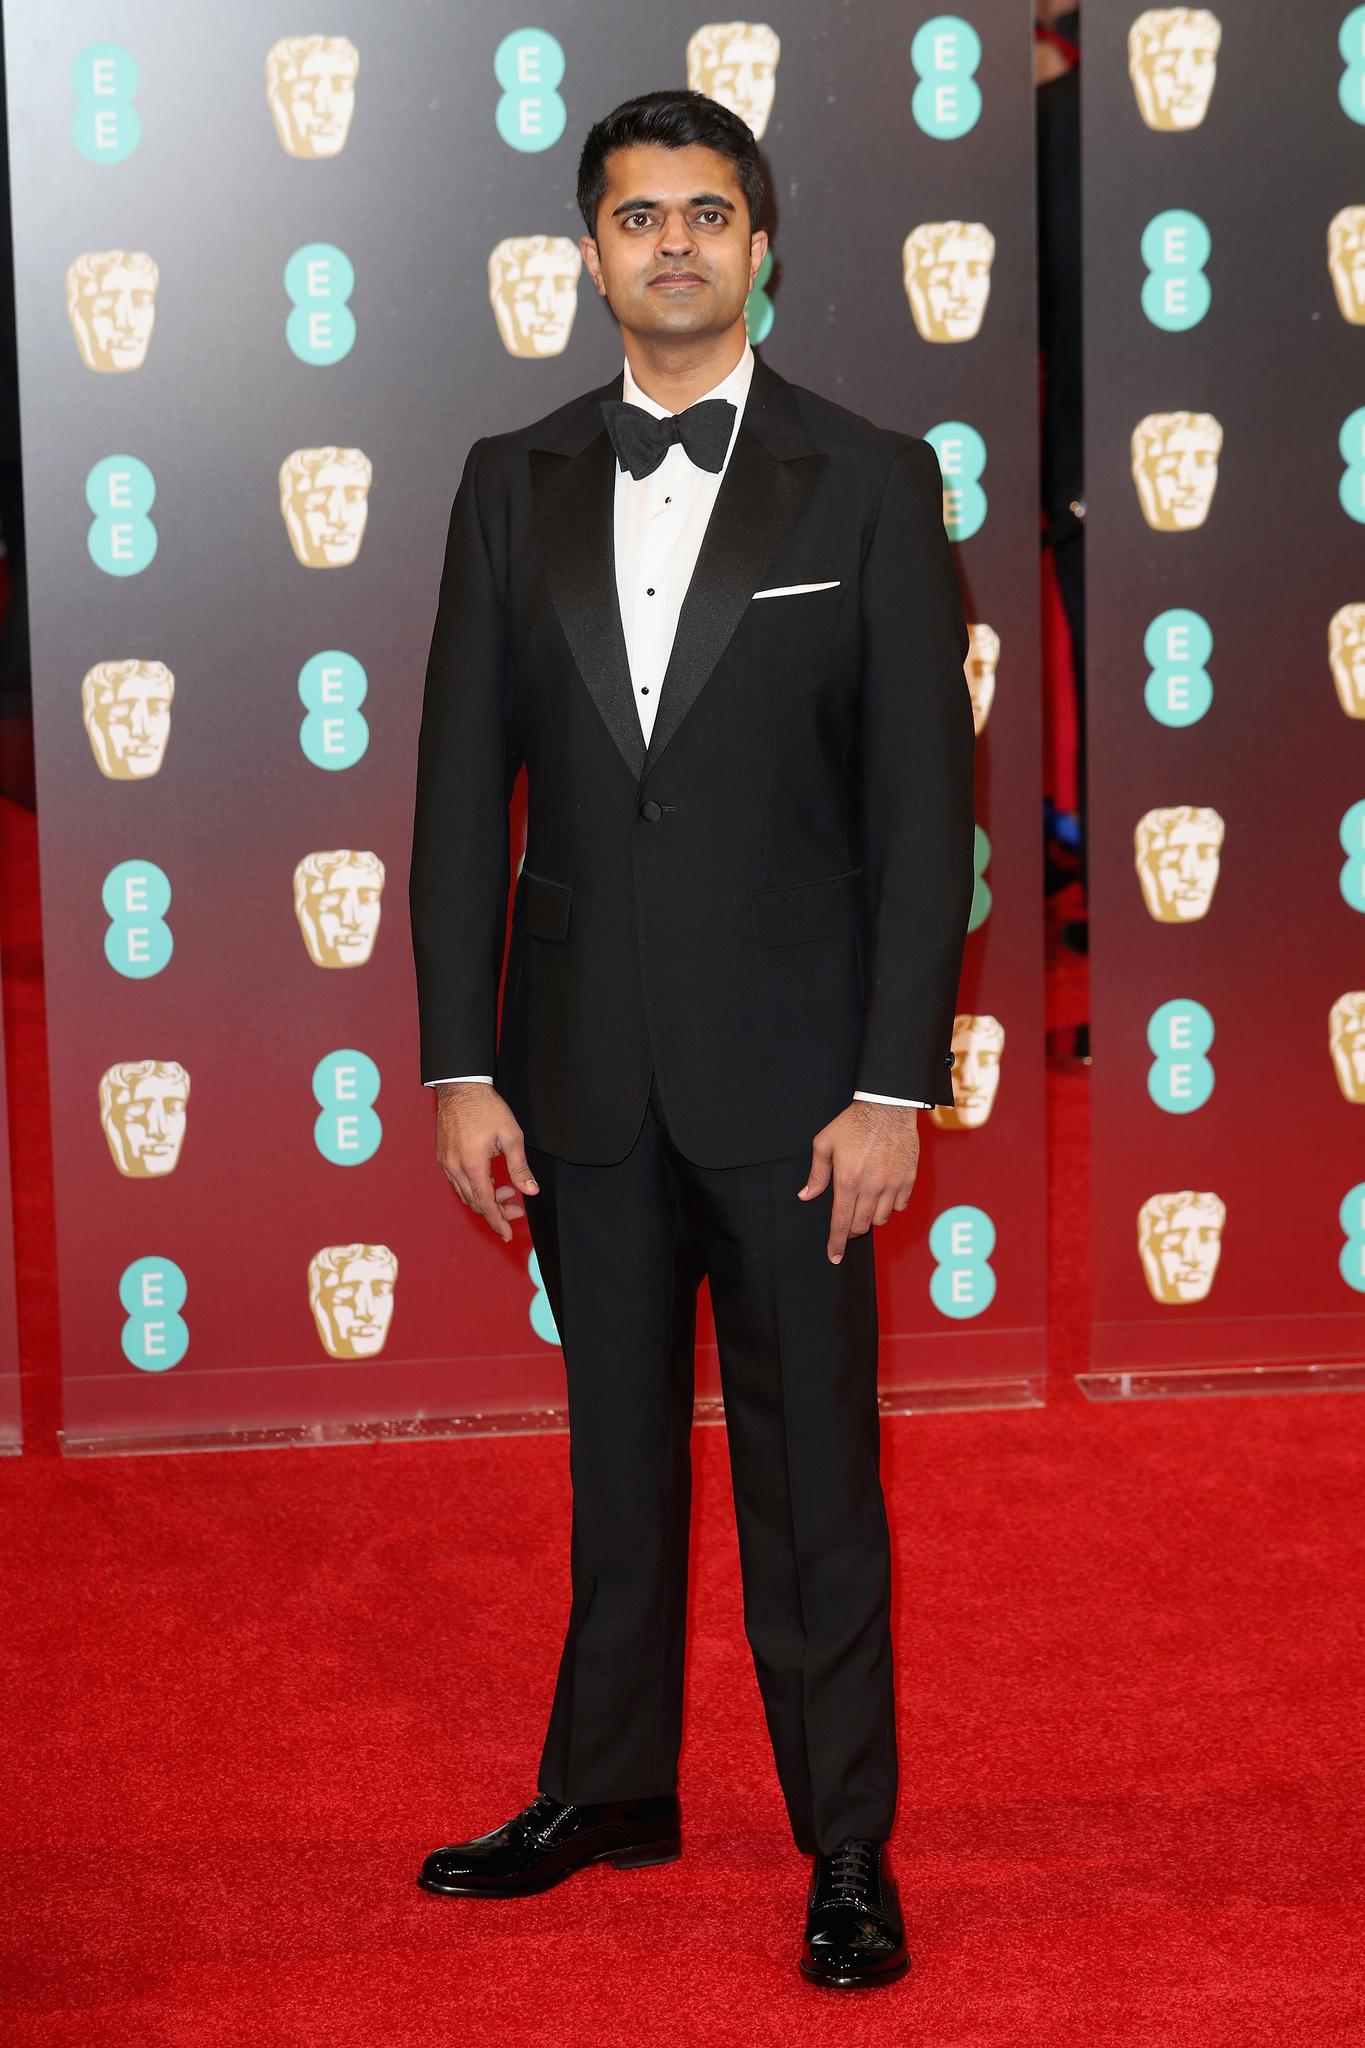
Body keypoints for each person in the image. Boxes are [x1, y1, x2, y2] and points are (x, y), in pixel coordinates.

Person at [407, 87, 974, 1991]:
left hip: (801, 1084)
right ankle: (606, 1790)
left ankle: (844, 1843)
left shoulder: (869, 479)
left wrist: (890, 1084)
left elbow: (923, 816)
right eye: (637, 216)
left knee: (817, 1480)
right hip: (576, 1070)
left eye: (706, 213)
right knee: (613, 1458)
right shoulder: (509, 477)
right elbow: (455, 796)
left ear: (761, 243)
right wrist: (459, 1063)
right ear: (589, 254)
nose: (673, 244)